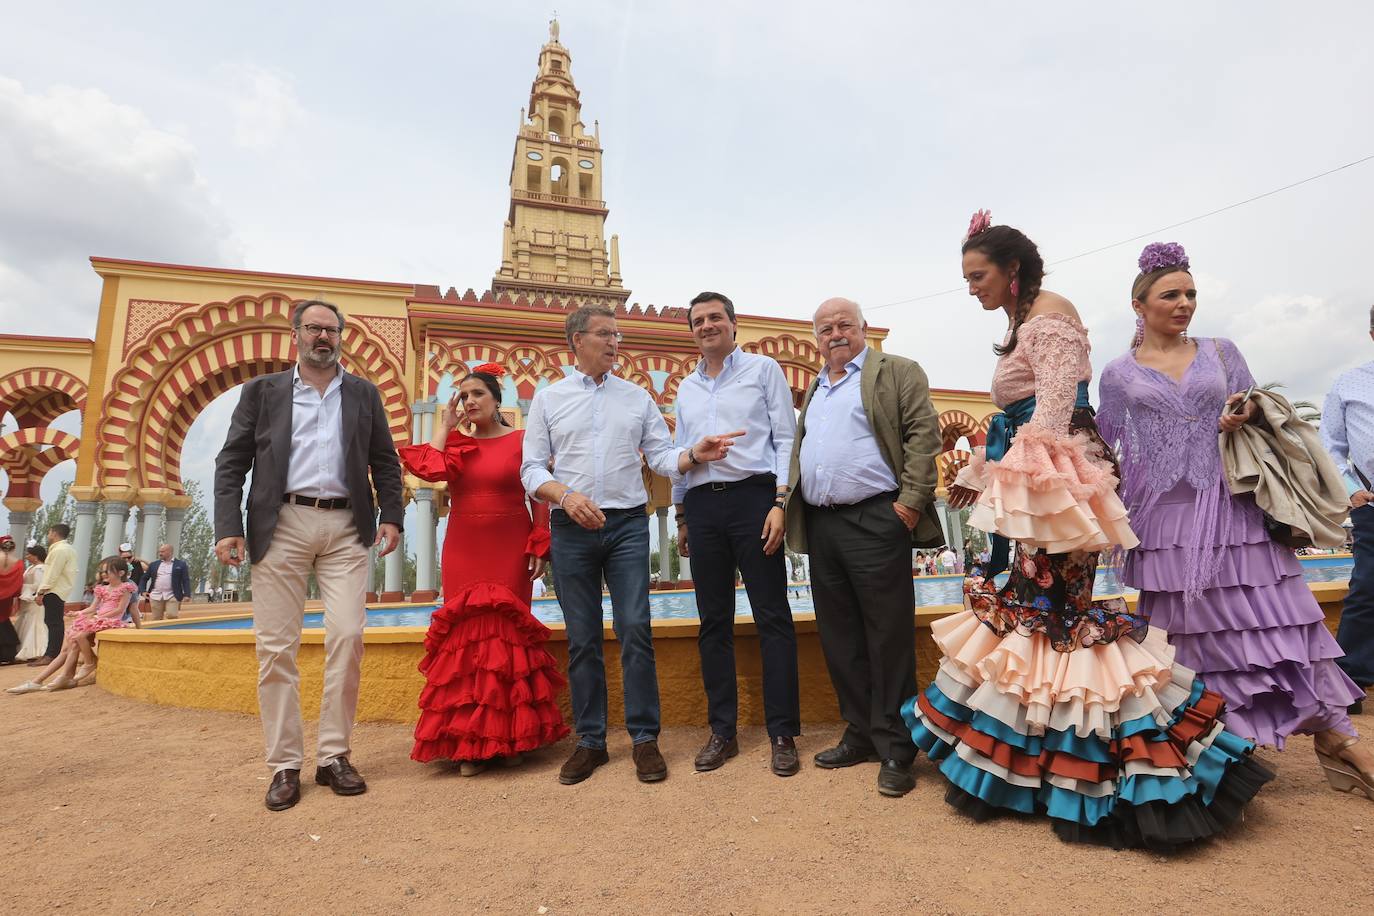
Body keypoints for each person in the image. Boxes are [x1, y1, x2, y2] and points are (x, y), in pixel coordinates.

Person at [912, 213, 1271, 849]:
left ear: (1011, 269)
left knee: (1053, 618)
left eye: (977, 275)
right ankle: (1047, 770)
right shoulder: (1026, 320)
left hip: (1057, 482)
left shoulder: (1048, 313)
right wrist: (990, 469)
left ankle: (1129, 770)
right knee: (1042, 618)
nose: (970, 287)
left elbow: (1053, 404)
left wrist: (1020, 482)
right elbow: (1037, 413)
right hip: (1047, 476)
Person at [1099, 242, 1370, 800]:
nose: (1184, 304)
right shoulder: (1118, 373)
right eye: (1170, 294)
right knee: (1192, 640)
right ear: (1138, 305)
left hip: (1235, 507)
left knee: (1284, 619)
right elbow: (1108, 447)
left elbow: (1258, 409)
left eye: (1191, 294)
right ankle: (1218, 745)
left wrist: (1245, 412)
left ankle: (1336, 736)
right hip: (1165, 522)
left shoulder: (1222, 352)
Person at [521, 303, 742, 786]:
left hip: (626, 525)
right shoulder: (549, 399)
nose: (615, 343)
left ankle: (645, 739)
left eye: (617, 335)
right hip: (570, 525)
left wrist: (691, 455)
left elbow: (661, 456)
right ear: (577, 340)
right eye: (605, 335)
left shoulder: (637, 397)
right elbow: (532, 467)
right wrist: (564, 495)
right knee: (582, 639)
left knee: (635, 629)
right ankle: (591, 742)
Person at [214, 298, 404, 812]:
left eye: (332, 329)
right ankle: (284, 764)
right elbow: (232, 462)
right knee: (276, 648)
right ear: (295, 333)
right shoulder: (263, 392)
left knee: (347, 636)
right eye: (315, 328)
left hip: (346, 525)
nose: (324, 337)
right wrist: (228, 526)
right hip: (282, 523)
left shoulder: (363, 393)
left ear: (342, 336)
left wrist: (392, 515)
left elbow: (385, 460)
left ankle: (334, 755)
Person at [784, 296, 942, 798]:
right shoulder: (817, 386)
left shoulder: (896, 370)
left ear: (863, 329)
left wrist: (910, 503)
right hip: (824, 524)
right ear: (816, 338)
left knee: (886, 634)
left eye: (844, 324)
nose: (835, 333)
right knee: (840, 636)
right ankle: (860, 732)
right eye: (825, 327)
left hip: (878, 517)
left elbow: (923, 435)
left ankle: (897, 745)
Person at [397, 363, 568, 775]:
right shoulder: (454, 444)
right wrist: (445, 424)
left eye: (477, 395)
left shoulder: (523, 441)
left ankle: (511, 739)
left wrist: (539, 542)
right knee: (465, 642)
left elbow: (539, 495)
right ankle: (468, 746)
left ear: (497, 401)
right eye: (463, 395)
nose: (470, 402)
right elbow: (426, 470)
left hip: (510, 544)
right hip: (463, 547)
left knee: (507, 638)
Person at [673, 291, 801, 777]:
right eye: (698, 321)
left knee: (772, 614)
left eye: (715, 318)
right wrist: (683, 516)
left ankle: (783, 732)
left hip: (754, 498)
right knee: (713, 621)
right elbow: (682, 453)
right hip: (704, 505)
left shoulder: (763, 371)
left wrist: (780, 502)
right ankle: (722, 731)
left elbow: (785, 436)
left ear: (732, 324)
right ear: (693, 331)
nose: (707, 326)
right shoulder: (686, 388)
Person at [1321, 307, 1374, 717]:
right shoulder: (1349, 383)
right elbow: (1331, 446)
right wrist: (1353, 490)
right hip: (1372, 503)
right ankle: (1352, 678)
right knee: (1367, 587)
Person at [6, 556, 141, 694]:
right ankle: (52, 679)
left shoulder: (127, 587)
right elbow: (94, 607)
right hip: (96, 619)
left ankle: (66, 674)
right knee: (69, 645)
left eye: (108, 571)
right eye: (103, 571)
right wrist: (79, 613)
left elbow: (126, 609)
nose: (104, 574)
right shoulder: (103, 588)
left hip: (106, 620)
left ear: (121, 573)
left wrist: (138, 628)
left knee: (76, 641)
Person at [32, 523, 76, 666]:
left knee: (54, 623)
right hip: (58, 590)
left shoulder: (59, 550)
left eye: (49, 532)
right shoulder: (66, 549)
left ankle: (51, 655)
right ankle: (52, 654)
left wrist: (41, 591)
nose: (48, 535)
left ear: (54, 533)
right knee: (54, 622)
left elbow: (52, 573)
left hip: (54, 590)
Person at [140, 543, 192, 621]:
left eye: (162, 552)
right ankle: (157, 633)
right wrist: (143, 591)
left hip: (173, 595)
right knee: (156, 619)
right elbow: (144, 578)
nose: (160, 553)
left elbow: (185, 580)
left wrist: (187, 594)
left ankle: (172, 632)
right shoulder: (154, 565)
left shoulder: (181, 564)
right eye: (159, 552)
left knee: (172, 615)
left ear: (170, 552)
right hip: (156, 595)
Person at [16, 544, 48, 660]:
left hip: (34, 600)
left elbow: (39, 585)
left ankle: (36, 650)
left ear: (36, 556)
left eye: (29, 554)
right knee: (26, 622)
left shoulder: (40, 568)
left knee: (34, 623)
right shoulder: (31, 568)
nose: (27, 556)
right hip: (27, 600)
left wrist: (25, 589)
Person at [0, 535, 22, 664]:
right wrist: (15, 598)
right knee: (3, 620)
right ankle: (7, 654)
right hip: (7, 598)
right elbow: (18, 584)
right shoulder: (17, 563)